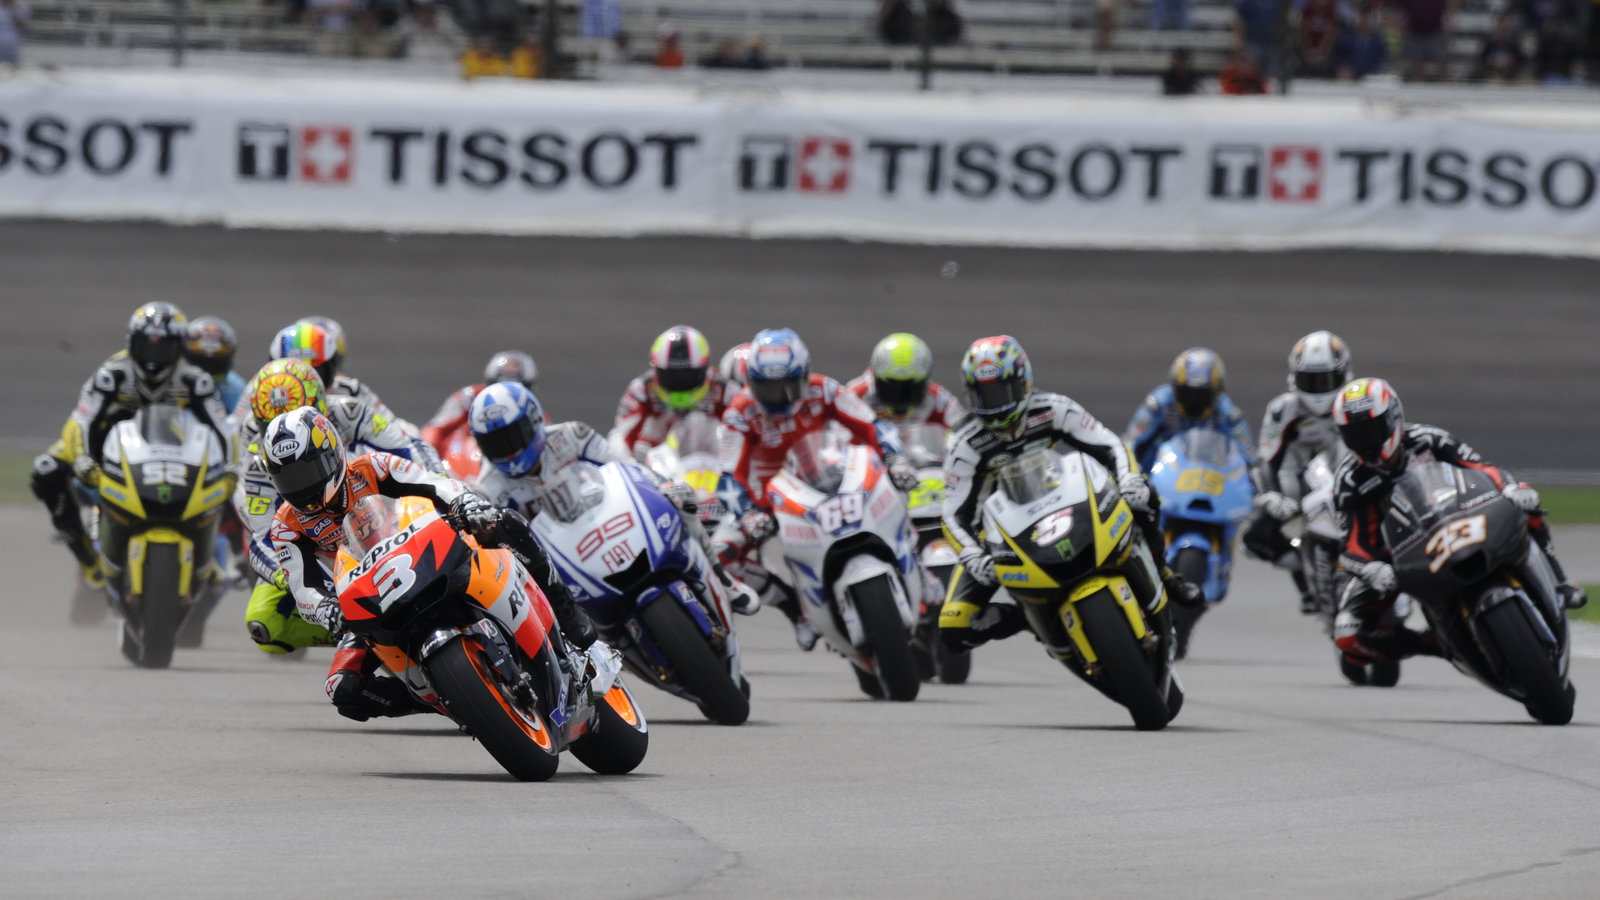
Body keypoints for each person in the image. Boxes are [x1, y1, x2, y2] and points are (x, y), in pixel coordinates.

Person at [261, 407, 592, 721]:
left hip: (427, 553)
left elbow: (433, 483)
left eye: (308, 471)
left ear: (332, 454)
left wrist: (465, 501)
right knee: (342, 688)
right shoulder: (286, 526)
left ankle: (570, 618)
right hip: (373, 600)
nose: (303, 487)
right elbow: (302, 586)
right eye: (289, 480)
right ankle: (446, 698)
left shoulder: (372, 467)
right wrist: (325, 608)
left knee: (506, 523)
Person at [938, 336, 1203, 653]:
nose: (993, 405)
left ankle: (1165, 575)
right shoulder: (965, 443)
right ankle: (1032, 618)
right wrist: (973, 556)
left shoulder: (1053, 408)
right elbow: (953, 513)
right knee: (955, 627)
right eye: (983, 395)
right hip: (998, 535)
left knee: (1142, 495)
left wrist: (1130, 479)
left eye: (1000, 392)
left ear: (1023, 383)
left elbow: (1111, 445)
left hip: (1057, 505)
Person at [1329, 378, 1587, 670]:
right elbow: (1350, 544)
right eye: (1354, 435)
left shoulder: (1429, 438)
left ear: (1394, 417)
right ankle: (1434, 644)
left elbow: (1481, 468)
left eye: (1371, 430)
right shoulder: (1349, 480)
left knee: (1526, 502)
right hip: (1395, 559)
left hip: (1456, 516)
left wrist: (1511, 488)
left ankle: (1559, 580)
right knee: (1348, 634)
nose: (1366, 442)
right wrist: (1371, 568)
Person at [469, 382, 758, 615]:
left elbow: (625, 466)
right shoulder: (488, 488)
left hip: (606, 514)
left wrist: (662, 485)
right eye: (495, 444)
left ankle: (722, 578)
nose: (508, 453)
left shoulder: (571, 436)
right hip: (558, 559)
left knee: (681, 499)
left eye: (513, 437)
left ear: (533, 421)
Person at [714, 328, 919, 649]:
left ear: (804, 374)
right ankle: (796, 609)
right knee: (720, 555)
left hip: (826, 478)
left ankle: (921, 571)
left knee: (901, 497)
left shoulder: (824, 390)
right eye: (768, 389)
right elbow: (728, 477)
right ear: (752, 383)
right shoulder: (739, 413)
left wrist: (896, 460)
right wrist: (747, 513)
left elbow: (873, 424)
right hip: (769, 502)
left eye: (787, 386)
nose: (779, 397)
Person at [235, 358, 448, 654]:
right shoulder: (259, 460)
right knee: (264, 621)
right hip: (318, 546)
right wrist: (312, 586)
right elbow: (260, 539)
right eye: (269, 425)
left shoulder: (350, 410)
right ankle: (359, 636)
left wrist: (440, 489)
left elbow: (410, 447)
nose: (284, 434)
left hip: (379, 512)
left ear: (319, 405)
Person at [32, 303, 230, 588]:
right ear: (132, 343)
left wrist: (232, 469)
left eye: (163, 348)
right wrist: (83, 459)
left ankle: (205, 555)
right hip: (103, 442)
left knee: (229, 479)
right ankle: (88, 559)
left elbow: (222, 429)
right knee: (45, 470)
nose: (154, 358)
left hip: (172, 446)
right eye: (147, 347)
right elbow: (80, 421)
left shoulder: (194, 379)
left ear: (179, 348)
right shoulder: (112, 374)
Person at [1243, 330, 1351, 613]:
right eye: (1310, 381)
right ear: (1295, 378)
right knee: (1254, 538)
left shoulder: (1354, 401)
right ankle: (1305, 575)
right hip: (1299, 485)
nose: (1318, 390)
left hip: (1349, 481)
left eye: (1326, 380)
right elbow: (1268, 457)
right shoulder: (1282, 410)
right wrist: (1272, 495)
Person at [1124, 347, 1254, 475]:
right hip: (1156, 478)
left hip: (1209, 479)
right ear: (1175, 387)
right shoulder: (1158, 404)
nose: (1194, 401)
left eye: (1202, 396)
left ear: (1217, 393)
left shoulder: (1228, 413)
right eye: (1187, 393)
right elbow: (1131, 442)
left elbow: (1248, 456)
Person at [609, 326, 731, 463]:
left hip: (711, 465)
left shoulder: (723, 389)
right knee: (616, 441)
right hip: (655, 464)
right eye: (671, 376)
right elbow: (623, 438)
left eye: (687, 376)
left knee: (700, 422)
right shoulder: (641, 389)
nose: (679, 384)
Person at [268, 319, 394, 421]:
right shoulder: (262, 396)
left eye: (316, 370)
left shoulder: (350, 390)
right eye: (293, 374)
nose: (305, 382)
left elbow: (393, 428)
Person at [845, 332, 966, 434]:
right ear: (876, 379)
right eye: (891, 388)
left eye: (909, 389)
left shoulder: (940, 400)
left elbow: (963, 433)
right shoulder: (855, 395)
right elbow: (836, 439)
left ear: (925, 382)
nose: (900, 397)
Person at [420, 350, 539, 453]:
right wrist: (428, 460)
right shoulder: (469, 397)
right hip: (461, 462)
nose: (505, 396)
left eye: (515, 390)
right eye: (498, 385)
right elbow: (435, 428)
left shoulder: (536, 413)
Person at [183, 316, 245, 415]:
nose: (206, 368)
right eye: (200, 359)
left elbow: (238, 420)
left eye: (214, 362)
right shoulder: (176, 382)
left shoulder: (235, 386)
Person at [1334, 5, 1389, 80]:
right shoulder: (1346, 37)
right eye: (1361, 17)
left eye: (1367, 18)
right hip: (1348, 77)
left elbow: (1382, 59)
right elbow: (1338, 56)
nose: (1363, 21)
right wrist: (1343, 68)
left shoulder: (1377, 40)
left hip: (1370, 79)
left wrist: (1375, 73)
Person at [1474, 13, 1526, 81]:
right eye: (1501, 27)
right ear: (1497, 27)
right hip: (1491, 74)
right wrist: (1490, 63)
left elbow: (1522, 61)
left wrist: (1512, 62)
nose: (1503, 29)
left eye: (1505, 27)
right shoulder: (1489, 43)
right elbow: (1481, 60)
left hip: (1512, 74)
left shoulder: (1515, 44)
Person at [0, 0, 31, 67]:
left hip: (12, 44)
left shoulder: (21, 6)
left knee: (11, 67)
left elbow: (25, 24)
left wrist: (12, 10)